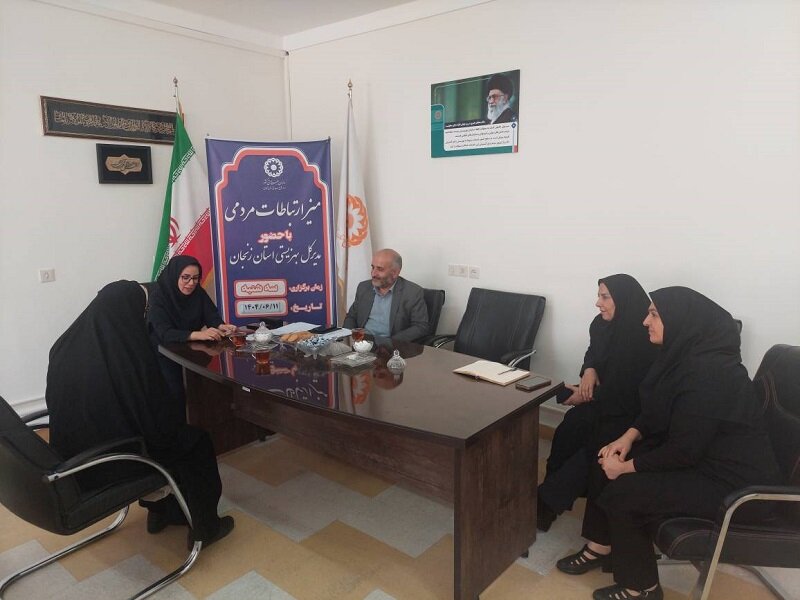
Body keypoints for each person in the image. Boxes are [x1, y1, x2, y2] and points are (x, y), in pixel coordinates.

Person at [557, 287, 780, 600]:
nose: (645, 321)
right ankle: (601, 547)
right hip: (703, 461)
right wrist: (626, 438)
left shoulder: (712, 375)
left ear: (681, 322)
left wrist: (626, 468)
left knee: (624, 492)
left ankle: (642, 588)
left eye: (654, 315)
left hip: (735, 486)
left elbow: (684, 451)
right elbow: (656, 413)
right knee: (604, 457)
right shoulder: (684, 358)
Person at [46, 280, 234, 548]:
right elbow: (156, 423)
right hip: (115, 462)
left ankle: (161, 513)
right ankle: (206, 528)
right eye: (144, 310)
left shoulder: (63, 348)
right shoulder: (127, 359)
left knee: (164, 436)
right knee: (194, 442)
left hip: (75, 459)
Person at [538, 274, 657, 532]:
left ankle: (547, 502)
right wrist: (589, 369)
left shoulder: (643, 337)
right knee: (570, 427)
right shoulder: (600, 324)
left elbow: (631, 388)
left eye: (605, 297)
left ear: (623, 300)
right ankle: (549, 493)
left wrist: (584, 396)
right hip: (604, 400)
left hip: (632, 412)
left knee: (595, 443)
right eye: (598, 296)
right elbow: (593, 353)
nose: (597, 303)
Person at [148, 255, 236, 407]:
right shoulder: (159, 296)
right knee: (178, 393)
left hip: (190, 350)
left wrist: (221, 326)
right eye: (185, 278)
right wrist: (197, 334)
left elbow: (211, 315)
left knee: (209, 387)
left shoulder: (198, 292)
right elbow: (165, 333)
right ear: (175, 275)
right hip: (164, 352)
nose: (191, 283)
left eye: (195, 278)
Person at [343, 248, 429, 342]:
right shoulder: (364, 287)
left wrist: (390, 342)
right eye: (373, 267)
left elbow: (421, 326)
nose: (373, 273)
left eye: (380, 269)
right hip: (362, 343)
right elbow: (351, 317)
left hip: (391, 345)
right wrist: (349, 338)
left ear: (395, 273)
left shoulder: (412, 292)